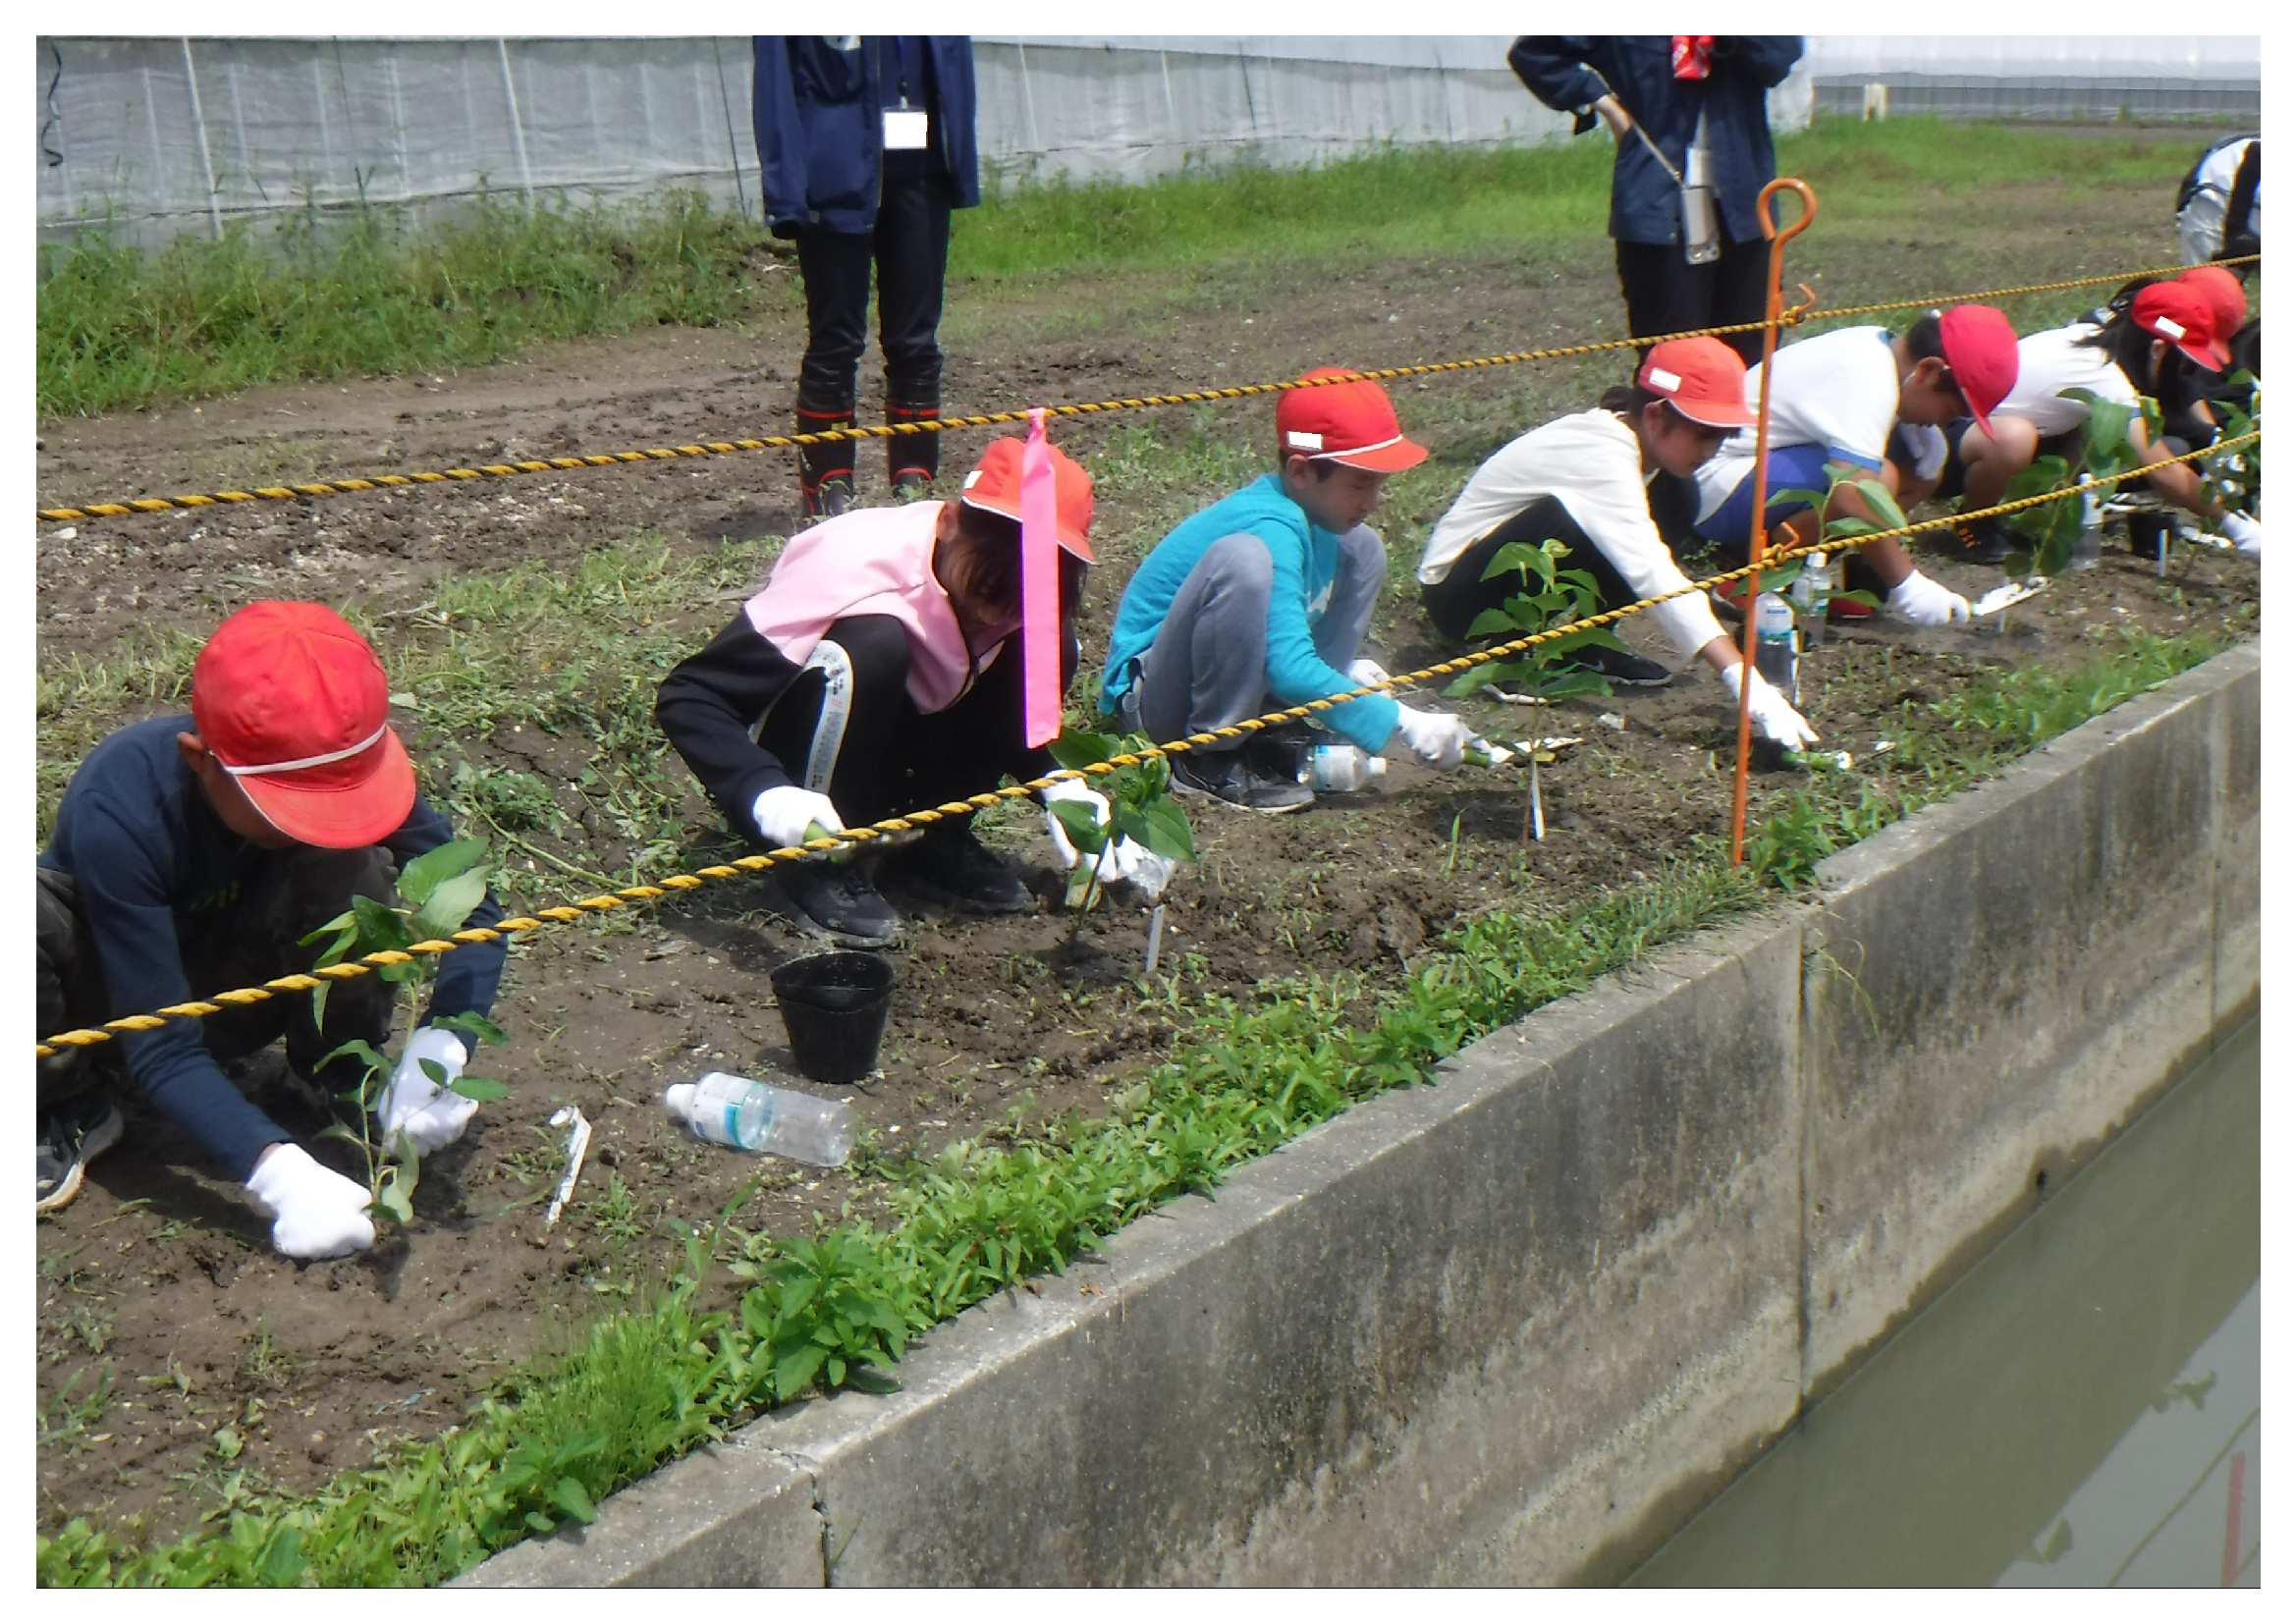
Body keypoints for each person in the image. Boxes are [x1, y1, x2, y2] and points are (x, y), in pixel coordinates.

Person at [36, 604, 508, 1261]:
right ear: (198, 759)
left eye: (340, 797)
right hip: (121, 995)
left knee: (354, 859)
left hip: (243, 983)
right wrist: (276, 1175)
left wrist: (445, 1042)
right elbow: (160, 1044)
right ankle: (65, 1100)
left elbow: (477, 906)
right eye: (292, 804)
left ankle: (337, 1070)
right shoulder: (121, 804)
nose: (315, 820)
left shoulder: (332, 756)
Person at [657, 436, 1140, 947]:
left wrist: (1057, 784)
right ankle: (814, 862)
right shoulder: (854, 564)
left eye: (1029, 595)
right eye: (988, 589)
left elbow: (1012, 721)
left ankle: (935, 838)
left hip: (906, 742)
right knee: (874, 643)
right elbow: (691, 696)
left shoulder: (1028, 611)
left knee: (1048, 643)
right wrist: (764, 793)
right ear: (951, 522)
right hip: (813, 749)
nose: (996, 616)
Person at [1097, 368, 1473, 815]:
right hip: (1159, 703)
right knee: (1245, 562)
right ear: (1301, 471)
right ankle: (1207, 757)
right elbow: (1288, 666)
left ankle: (1271, 728)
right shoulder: (1268, 527)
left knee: (1363, 548)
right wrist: (1403, 722)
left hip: (1223, 685)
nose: (1372, 502)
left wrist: (1343, 678)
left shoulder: (1317, 524)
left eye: (1377, 485)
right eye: (1359, 484)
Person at [1418, 337, 1816, 751]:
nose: (1711, 450)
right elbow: (1651, 571)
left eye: (1721, 436)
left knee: (1678, 498)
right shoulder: (1600, 454)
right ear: (1657, 416)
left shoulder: (1638, 446)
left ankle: (1589, 643)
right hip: (1457, 592)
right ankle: (1505, 655)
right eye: (1702, 435)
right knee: (1565, 518)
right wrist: (1741, 678)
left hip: (1496, 568)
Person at [753, 37, 979, 520]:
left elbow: (953, 63)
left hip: (920, 170)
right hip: (833, 176)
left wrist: (959, 162)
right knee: (835, 342)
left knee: (916, 341)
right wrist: (786, 190)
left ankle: (914, 487)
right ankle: (828, 495)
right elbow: (774, 81)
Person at [1687, 305, 2023, 624]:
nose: (1946, 423)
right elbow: (1853, 496)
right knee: (1876, 481)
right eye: (1953, 412)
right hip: (1717, 480)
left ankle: (1805, 580)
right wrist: (1908, 585)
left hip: (1763, 466)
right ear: (1929, 371)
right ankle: (1755, 582)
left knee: (1917, 470)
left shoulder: (1884, 351)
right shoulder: (1867, 375)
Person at [1508, 35, 1806, 370]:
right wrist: (1603, 103)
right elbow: (1535, 53)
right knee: (1671, 358)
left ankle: (1740, 423)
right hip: (1657, 199)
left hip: (1745, 205)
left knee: (1750, 352)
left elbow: (1779, 58)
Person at [1941, 282, 2262, 561]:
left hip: (1979, 438)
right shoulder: (2106, 378)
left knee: (2091, 438)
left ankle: (2029, 513)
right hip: (1955, 441)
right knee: (2021, 438)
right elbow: (2164, 471)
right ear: (2158, 349)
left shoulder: (2091, 337)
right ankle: (1972, 523)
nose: (2183, 376)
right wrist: (2233, 523)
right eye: (2183, 365)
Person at [2175, 131, 2260, 269]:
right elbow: (2256, 155)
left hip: (2249, 207)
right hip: (2213, 200)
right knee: (2206, 281)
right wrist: (2236, 232)